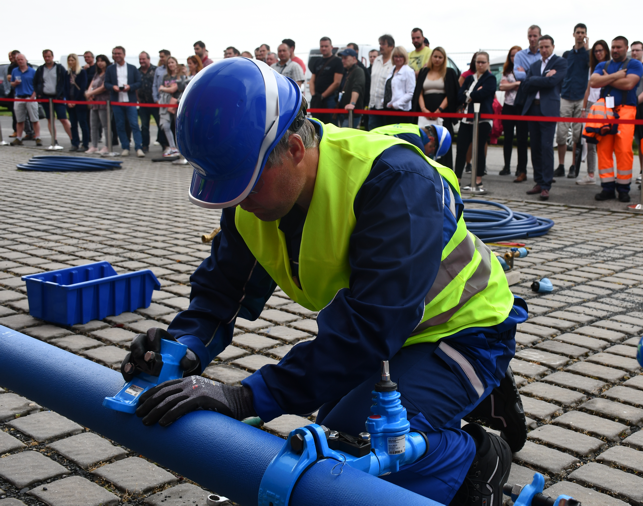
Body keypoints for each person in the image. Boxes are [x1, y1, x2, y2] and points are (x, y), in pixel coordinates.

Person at [122, 57, 526, 506]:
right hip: (391, 331)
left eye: (244, 184)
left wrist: (245, 397)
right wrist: (181, 347)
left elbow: (366, 331)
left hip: (465, 330)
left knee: (363, 450)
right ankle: (454, 399)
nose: (236, 201)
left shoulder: (395, 184)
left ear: (295, 148)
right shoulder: (251, 198)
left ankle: (477, 458)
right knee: (335, 432)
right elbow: (221, 293)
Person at [585, 36, 643, 203]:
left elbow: (629, 85)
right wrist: (617, 76)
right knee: (604, 149)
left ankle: (623, 189)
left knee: (624, 150)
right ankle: (607, 188)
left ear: (626, 49)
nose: (615, 50)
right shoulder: (603, 65)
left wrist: (607, 79)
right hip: (605, 111)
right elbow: (593, 82)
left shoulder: (634, 64)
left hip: (626, 110)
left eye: (618, 47)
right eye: (613, 47)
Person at [520, 36, 567, 201]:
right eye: (541, 47)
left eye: (547, 47)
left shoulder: (560, 63)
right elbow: (525, 85)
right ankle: (538, 182)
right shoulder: (534, 65)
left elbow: (553, 81)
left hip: (548, 110)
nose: (544, 50)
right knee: (535, 147)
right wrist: (540, 79)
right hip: (533, 108)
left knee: (546, 147)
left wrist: (536, 80)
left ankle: (546, 185)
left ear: (553, 46)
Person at [412, 46, 459, 169]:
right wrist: (423, 109)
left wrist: (439, 110)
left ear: (444, 59)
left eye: (440, 57)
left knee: (442, 143)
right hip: (424, 113)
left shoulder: (449, 73)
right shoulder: (424, 72)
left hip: (443, 114)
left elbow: (451, 94)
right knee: (425, 142)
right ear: (431, 57)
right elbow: (419, 92)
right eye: (435, 56)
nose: (437, 59)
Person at [456, 51, 496, 193]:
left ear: (488, 63)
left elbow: (482, 95)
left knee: (479, 149)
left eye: (483, 62)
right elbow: (460, 96)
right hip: (467, 119)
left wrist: (469, 94)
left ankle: (478, 180)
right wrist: (470, 95)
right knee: (461, 148)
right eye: (478, 62)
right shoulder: (469, 78)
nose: (480, 65)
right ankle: (457, 179)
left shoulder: (490, 78)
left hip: (483, 118)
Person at [576, 41, 610, 186]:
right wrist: (583, 108)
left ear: (606, 51)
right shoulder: (592, 68)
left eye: (600, 50)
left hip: (605, 104)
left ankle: (608, 174)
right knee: (589, 141)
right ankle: (591, 174)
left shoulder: (611, 66)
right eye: (595, 51)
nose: (598, 53)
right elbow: (588, 89)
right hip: (591, 104)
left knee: (607, 142)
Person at [558, 24, 590, 179]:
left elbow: (591, 66)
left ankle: (573, 165)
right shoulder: (566, 54)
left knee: (577, 135)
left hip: (580, 97)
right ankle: (561, 165)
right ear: (573, 34)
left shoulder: (587, 54)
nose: (580, 35)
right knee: (561, 133)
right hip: (565, 95)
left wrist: (587, 48)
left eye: (582, 33)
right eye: (578, 32)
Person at [105, 45, 144, 157]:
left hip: (130, 101)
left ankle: (138, 147)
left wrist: (130, 87)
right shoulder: (110, 69)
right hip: (117, 102)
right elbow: (106, 83)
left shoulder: (132, 68)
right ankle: (125, 147)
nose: (116, 55)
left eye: (118, 53)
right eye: (114, 53)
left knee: (134, 124)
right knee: (120, 125)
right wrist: (113, 87)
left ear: (124, 54)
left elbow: (138, 82)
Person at [512, 26, 542, 170]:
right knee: (522, 137)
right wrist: (538, 76)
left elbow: (527, 76)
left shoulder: (545, 54)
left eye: (535, 36)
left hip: (541, 98)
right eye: (530, 36)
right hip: (524, 98)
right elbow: (519, 76)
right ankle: (521, 170)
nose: (532, 39)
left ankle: (542, 171)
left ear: (540, 36)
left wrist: (528, 72)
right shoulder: (519, 55)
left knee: (540, 138)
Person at [34, 49, 72, 144]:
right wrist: (39, 93)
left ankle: (73, 139)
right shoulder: (40, 69)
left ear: (52, 57)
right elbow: (36, 82)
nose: (47, 58)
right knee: (50, 119)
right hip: (46, 97)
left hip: (58, 97)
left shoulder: (59, 68)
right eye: (45, 57)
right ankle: (54, 140)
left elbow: (65, 81)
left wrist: (63, 94)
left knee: (63, 118)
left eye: (49, 56)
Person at [499, 46, 526, 180]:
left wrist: (513, 84)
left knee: (521, 138)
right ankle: (506, 166)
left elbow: (525, 84)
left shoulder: (524, 69)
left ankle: (521, 168)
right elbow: (502, 86)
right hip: (508, 106)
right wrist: (515, 84)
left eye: (516, 55)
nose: (514, 58)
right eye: (511, 55)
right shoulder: (507, 70)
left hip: (521, 106)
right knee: (508, 138)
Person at [309, 37, 344, 125]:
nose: (324, 48)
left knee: (330, 124)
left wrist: (323, 96)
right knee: (316, 124)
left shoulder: (337, 61)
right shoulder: (317, 61)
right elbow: (312, 80)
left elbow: (337, 82)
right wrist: (314, 95)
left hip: (330, 99)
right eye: (322, 46)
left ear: (331, 47)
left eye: (326, 46)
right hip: (317, 98)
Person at [9, 53, 42, 146]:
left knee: (34, 119)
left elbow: (38, 85)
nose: (20, 61)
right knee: (19, 120)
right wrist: (14, 83)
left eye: (22, 59)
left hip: (30, 97)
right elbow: (11, 83)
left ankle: (38, 137)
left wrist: (33, 96)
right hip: (19, 97)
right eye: (18, 60)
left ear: (25, 60)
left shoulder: (32, 71)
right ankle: (19, 137)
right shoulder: (15, 71)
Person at [370, 123, 452, 160]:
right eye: (431, 153)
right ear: (431, 140)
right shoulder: (417, 144)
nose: (428, 155)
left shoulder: (413, 128)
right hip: (369, 151)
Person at [158, 56, 187, 160]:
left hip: (176, 102)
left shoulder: (181, 76)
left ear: (176, 63)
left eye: (172, 62)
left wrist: (164, 89)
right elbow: (159, 88)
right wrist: (167, 89)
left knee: (177, 126)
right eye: (168, 63)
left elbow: (176, 89)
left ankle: (181, 149)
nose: (170, 64)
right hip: (165, 103)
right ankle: (172, 147)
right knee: (165, 125)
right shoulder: (166, 77)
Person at [630, 41, 643, 183]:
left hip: (640, 107)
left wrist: (633, 102)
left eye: (637, 50)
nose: (635, 52)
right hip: (627, 108)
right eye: (632, 50)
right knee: (627, 141)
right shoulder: (629, 67)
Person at [84, 54, 111, 155]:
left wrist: (90, 93)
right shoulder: (97, 73)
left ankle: (107, 145)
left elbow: (104, 87)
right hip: (94, 102)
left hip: (104, 102)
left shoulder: (108, 73)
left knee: (105, 125)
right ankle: (94, 146)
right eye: (98, 61)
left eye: (102, 61)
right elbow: (92, 84)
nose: (100, 63)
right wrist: (89, 93)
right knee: (93, 125)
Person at [368, 34, 395, 130]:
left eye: (383, 44)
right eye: (380, 44)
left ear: (391, 46)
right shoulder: (376, 61)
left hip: (387, 107)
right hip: (373, 105)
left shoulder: (395, 62)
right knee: (372, 134)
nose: (381, 47)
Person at [384, 46, 416, 125]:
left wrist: (396, 105)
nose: (398, 59)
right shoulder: (392, 70)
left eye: (401, 56)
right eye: (396, 56)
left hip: (402, 111)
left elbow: (410, 93)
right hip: (388, 109)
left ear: (405, 57)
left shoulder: (409, 71)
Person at [65, 54, 90, 152]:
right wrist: (68, 100)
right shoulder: (67, 73)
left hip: (79, 102)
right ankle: (75, 143)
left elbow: (83, 87)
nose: (71, 62)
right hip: (70, 102)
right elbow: (65, 87)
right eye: (69, 60)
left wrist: (76, 100)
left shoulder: (82, 72)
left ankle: (85, 144)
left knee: (83, 123)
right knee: (73, 124)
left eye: (72, 60)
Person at [337, 48, 365, 128]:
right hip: (343, 111)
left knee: (345, 135)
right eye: (342, 58)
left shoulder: (358, 71)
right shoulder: (346, 71)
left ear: (354, 59)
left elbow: (357, 87)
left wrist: (352, 103)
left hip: (352, 113)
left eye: (345, 58)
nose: (343, 60)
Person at [137, 52, 158, 153]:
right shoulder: (137, 72)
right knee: (144, 126)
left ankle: (164, 144)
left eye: (143, 59)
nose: (141, 61)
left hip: (155, 103)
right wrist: (138, 99)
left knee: (160, 124)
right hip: (143, 103)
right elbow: (136, 87)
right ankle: (145, 145)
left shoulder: (155, 70)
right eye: (140, 59)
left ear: (148, 59)